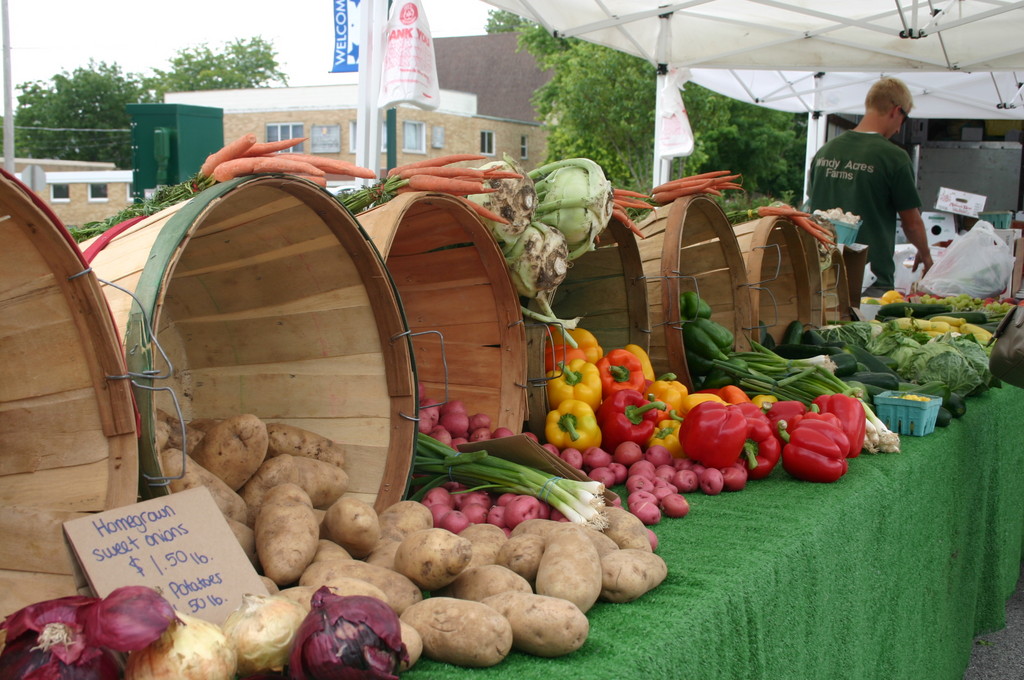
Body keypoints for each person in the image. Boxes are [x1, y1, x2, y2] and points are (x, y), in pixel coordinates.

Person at [807, 76, 933, 296]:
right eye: (904, 119)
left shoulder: (825, 152)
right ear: (896, 111)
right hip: (868, 278)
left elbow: (810, 206)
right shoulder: (894, 158)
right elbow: (911, 223)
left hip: (820, 273)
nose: (898, 129)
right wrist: (926, 254)